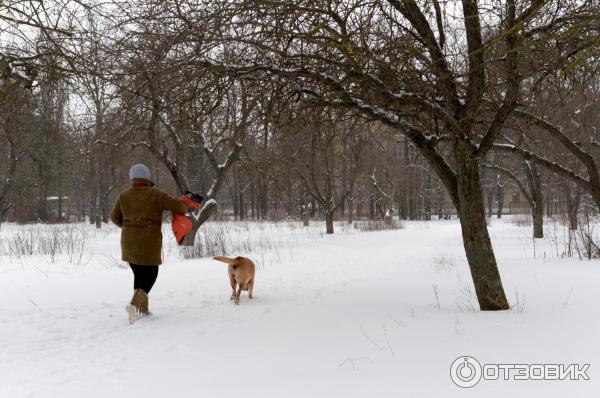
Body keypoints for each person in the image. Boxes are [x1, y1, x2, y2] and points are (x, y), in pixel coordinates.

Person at [110, 163, 188, 324]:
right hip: (148, 243)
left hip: (129, 243)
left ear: (132, 178)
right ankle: (134, 305)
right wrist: (185, 202)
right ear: (147, 177)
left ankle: (142, 309)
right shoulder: (155, 195)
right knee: (151, 275)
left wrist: (129, 228)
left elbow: (114, 217)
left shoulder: (124, 196)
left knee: (139, 275)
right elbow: (180, 208)